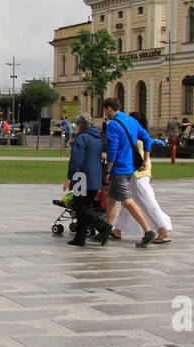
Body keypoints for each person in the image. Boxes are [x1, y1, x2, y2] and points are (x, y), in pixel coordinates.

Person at [100, 97, 157, 247]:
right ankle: (106, 230)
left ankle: (148, 231)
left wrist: (108, 170)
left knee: (126, 200)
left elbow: (113, 148)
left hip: (120, 167)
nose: (105, 113)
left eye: (105, 110)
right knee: (111, 198)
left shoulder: (113, 124)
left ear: (110, 108)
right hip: (130, 166)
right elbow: (147, 138)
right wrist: (145, 159)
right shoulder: (131, 120)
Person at [111, 131, 173, 246]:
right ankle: (117, 229)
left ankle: (162, 229)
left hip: (138, 174)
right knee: (128, 203)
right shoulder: (141, 137)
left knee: (147, 201)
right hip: (137, 173)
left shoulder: (136, 138)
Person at [63, 114, 112, 247]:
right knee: (85, 207)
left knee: (79, 207)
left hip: (82, 176)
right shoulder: (97, 138)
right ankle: (80, 238)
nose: (75, 128)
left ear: (80, 125)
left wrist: (69, 177)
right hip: (95, 176)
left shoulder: (81, 138)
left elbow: (76, 160)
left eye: (76, 125)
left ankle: (103, 226)